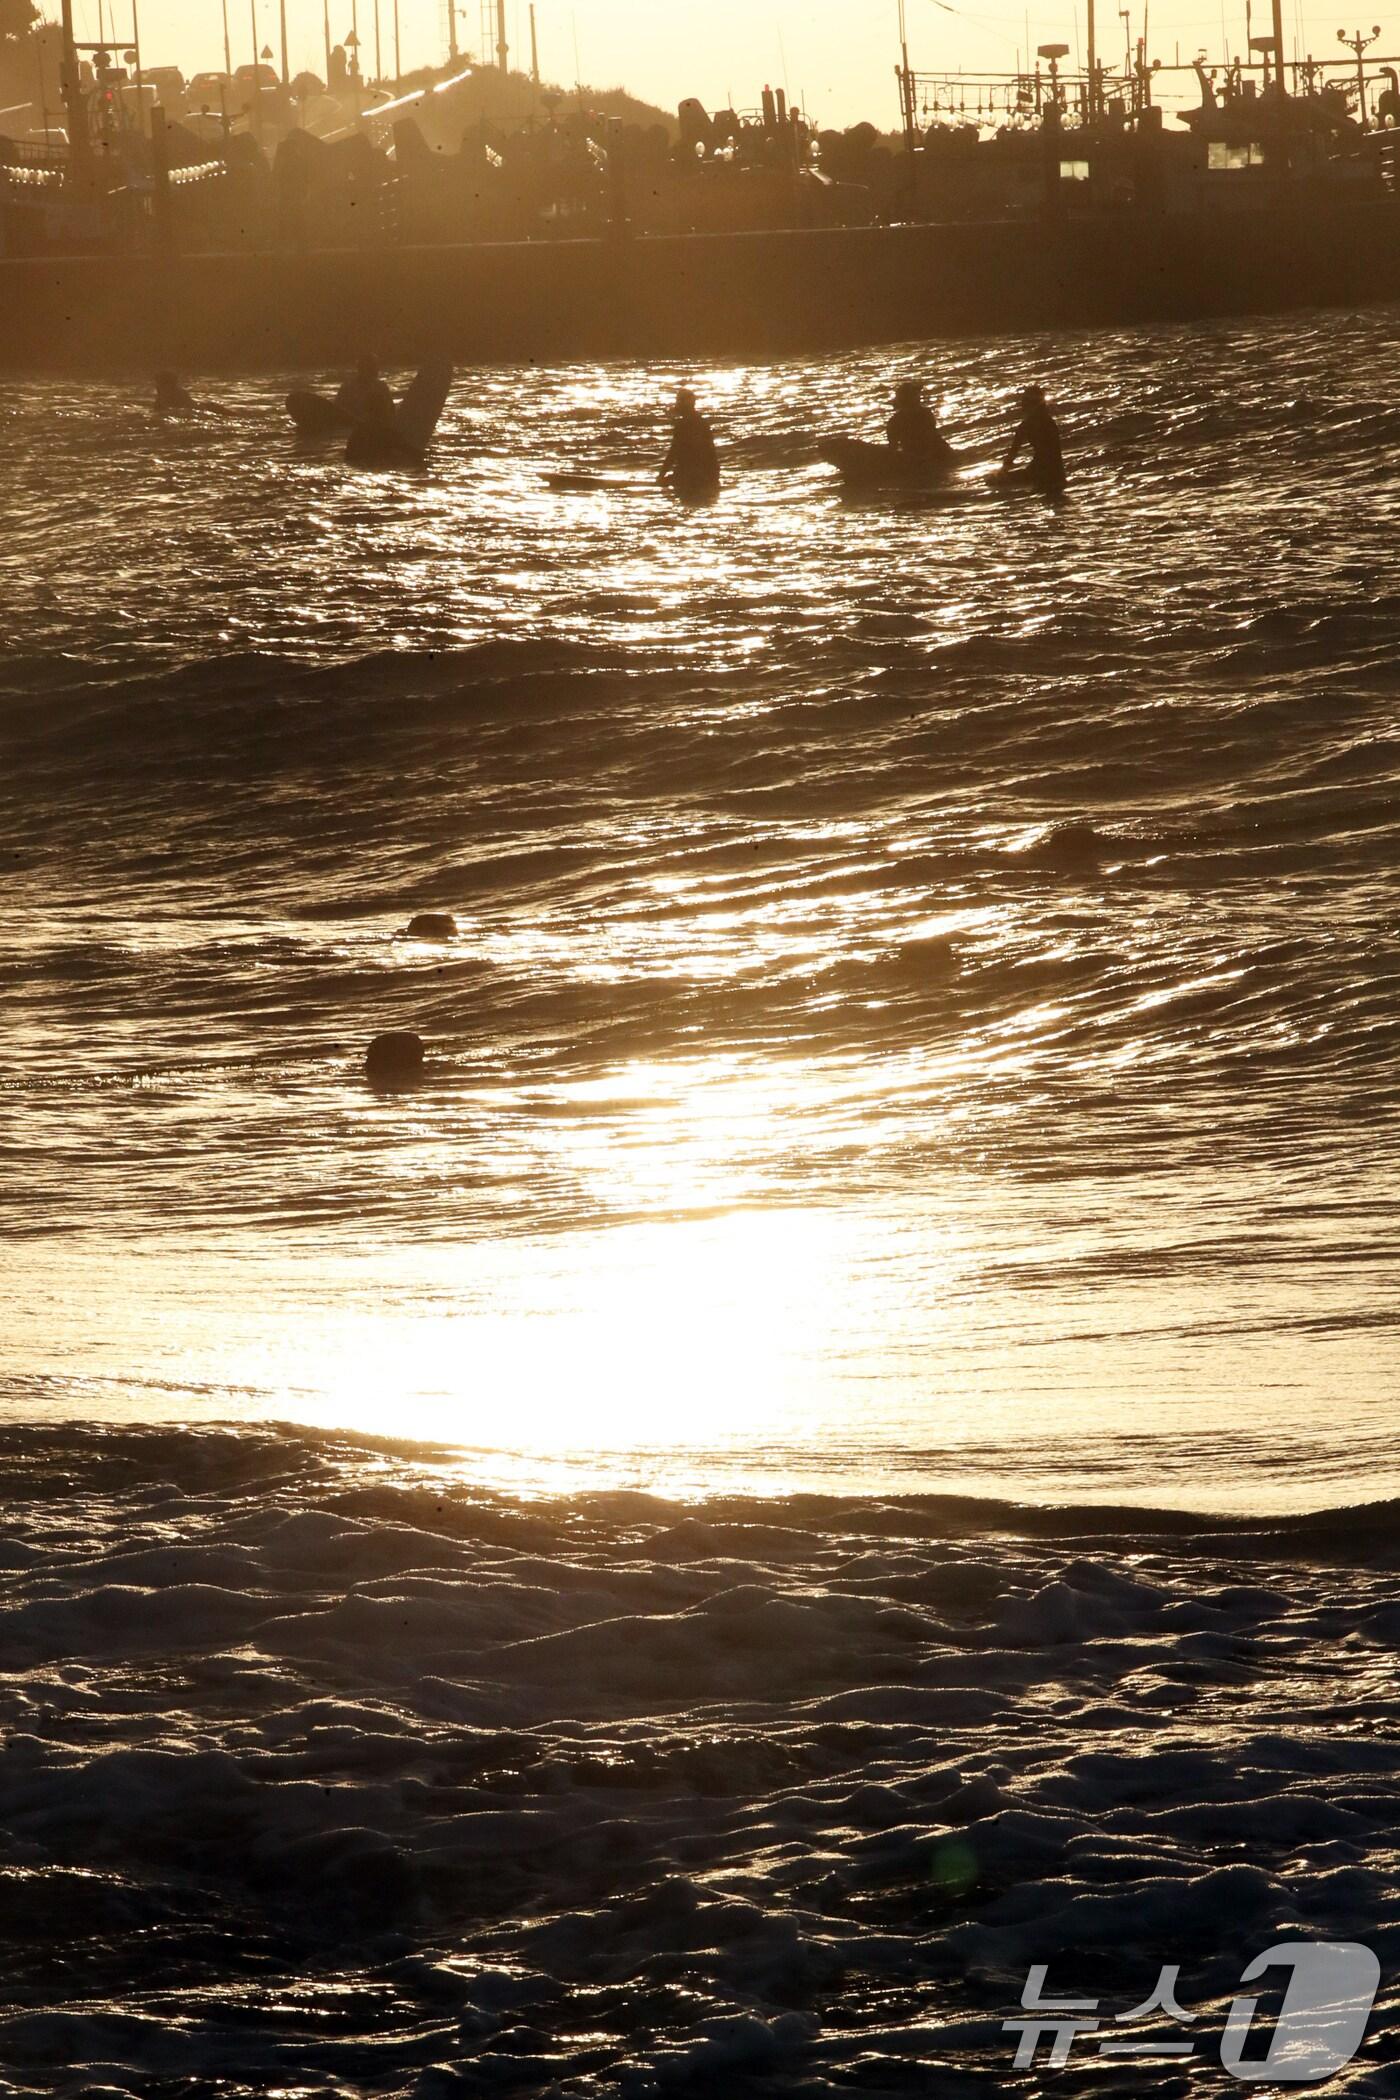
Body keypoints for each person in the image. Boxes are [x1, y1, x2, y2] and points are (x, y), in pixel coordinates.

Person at [1003, 383, 1065, 492]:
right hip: (1058, 474)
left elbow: (1012, 454)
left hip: (1040, 473)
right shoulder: (1050, 423)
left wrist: (1002, 474)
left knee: (993, 480)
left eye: (1025, 401)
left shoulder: (1027, 425)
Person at [659, 387, 719, 497]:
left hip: (688, 474)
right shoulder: (703, 423)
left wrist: (661, 475)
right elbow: (712, 452)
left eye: (679, 401)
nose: (677, 404)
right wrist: (714, 476)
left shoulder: (682, 425)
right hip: (706, 474)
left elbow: (673, 452)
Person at [886, 379, 954, 472]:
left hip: (931, 455)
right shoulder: (925, 414)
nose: (919, 397)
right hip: (928, 456)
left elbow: (892, 448)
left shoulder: (894, 421)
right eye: (916, 394)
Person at [336, 356, 395, 427]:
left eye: (375, 367)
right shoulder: (347, 388)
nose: (377, 370)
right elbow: (338, 410)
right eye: (373, 367)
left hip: (376, 425)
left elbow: (391, 411)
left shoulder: (381, 386)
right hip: (356, 425)